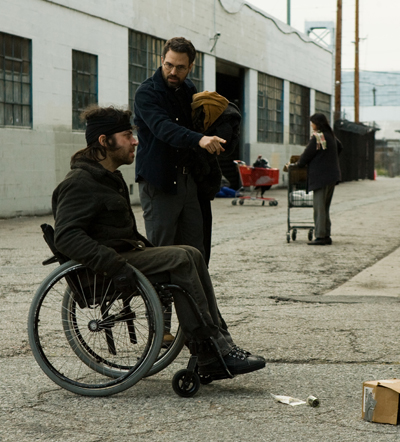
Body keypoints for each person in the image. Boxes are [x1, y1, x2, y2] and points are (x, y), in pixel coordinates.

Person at [51, 104, 265, 378]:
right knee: (180, 259)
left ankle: (220, 340)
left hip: (124, 256)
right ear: (104, 141)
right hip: (106, 268)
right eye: (127, 135)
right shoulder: (80, 182)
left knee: (191, 253)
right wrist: (116, 266)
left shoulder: (107, 177)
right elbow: (67, 237)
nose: (135, 141)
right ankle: (210, 351)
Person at [134, 37, 226, 261]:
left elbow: (197, 124)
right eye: (169, 65)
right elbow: (163, 128)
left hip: (188, 182)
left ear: (190, 67)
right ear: (162, 60)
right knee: (162, 252)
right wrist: (199, 139)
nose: (173, 71)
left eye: (180, 67)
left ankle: (193, 297)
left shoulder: (188, 90)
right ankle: (159, 297)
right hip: (160, 182)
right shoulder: (146, 93)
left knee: (195, 252)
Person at [293, 113, 342, 245]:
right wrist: (328, 157)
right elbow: (340, 147)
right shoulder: (330, 135)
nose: (311, 125)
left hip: (321, 177)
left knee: (319, 208)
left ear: (318, 124)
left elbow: (307, 154)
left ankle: (320, 236)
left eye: (312, 123)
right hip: (332, 176)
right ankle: (326, 234)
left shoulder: (318, 137)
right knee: (324, 207)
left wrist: (299, 164)